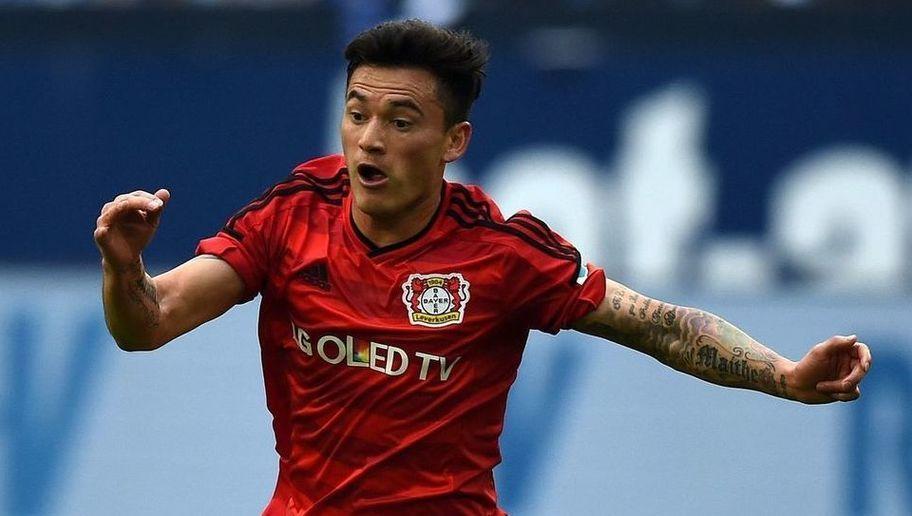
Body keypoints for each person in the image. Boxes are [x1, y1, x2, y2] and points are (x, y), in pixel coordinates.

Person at [93, 19, 872, 516]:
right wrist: (125, 267)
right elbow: (149, 323)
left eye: (401, 121)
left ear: (453, 141)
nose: (369, 140)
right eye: (358, 112)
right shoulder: (295, 212)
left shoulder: (502, 254)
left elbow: (661, 326)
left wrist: (783, 374)